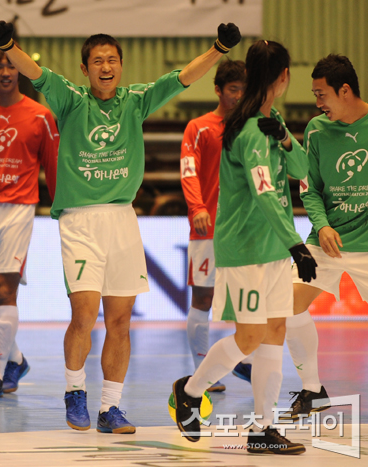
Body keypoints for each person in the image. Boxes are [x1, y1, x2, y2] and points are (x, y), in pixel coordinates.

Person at [0, 20, 241, 434]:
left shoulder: (135, 101)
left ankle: (111, 408)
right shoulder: (69, 99)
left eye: (112, 60)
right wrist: (7, 45)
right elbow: (34, 73)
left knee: (121, 320)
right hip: (79, 221)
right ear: (85, 69)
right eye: (97, 61)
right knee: (85, 315)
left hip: (123, 218)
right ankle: (75, 392)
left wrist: (218, 48)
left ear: (121, 66)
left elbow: (182, 77)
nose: (106, 66)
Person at [172, 40, 317, 454]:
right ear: (284, 77)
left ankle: (262, 429)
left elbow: (305, 171)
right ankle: (190, 389)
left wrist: (288, 139)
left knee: (274, 332)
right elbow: (264, 193)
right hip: (248, 248)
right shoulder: (249, 129)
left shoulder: (270, 125)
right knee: (251, 336)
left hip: (271, 247)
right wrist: (296, 244)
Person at [0, 41, 59, 398]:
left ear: (20, 70)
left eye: (11, 65)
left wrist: (64, 209)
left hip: (19, 208)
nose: (5, 72)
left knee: (6, 290)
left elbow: (54, 167)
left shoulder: (40, 116)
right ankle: (15, 359)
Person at [283, 54, 368, 420]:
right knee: (285, 305)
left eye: (322, 94)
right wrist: (323, 225)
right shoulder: (317, 129)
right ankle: (313, 389)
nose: (317, 103)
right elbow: (310, 188)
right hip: (326, 239)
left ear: (344, 90)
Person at [181, 59, 252, 392]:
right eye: (233, 89)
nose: (239, 96)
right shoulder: (198, 127)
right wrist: (196, 207)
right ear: (218, 90)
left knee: (249, 298)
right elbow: (188, 171)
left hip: (244, 230)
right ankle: (201, 373)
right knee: (203, 299)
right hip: (207, 230)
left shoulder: (253, 127)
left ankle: (247, 362)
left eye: (244, 90)